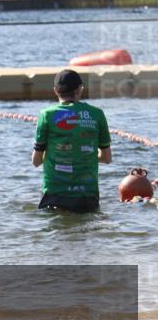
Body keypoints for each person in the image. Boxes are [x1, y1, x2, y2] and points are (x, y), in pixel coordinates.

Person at [32, 69, 112, 213]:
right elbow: (107, 158)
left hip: (55, 194)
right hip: (87, 195)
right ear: (80, 89)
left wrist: (56, 156)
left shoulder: (46, 115)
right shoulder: (97, 114)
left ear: (56, 90)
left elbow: (36, 161)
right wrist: (83, 156)